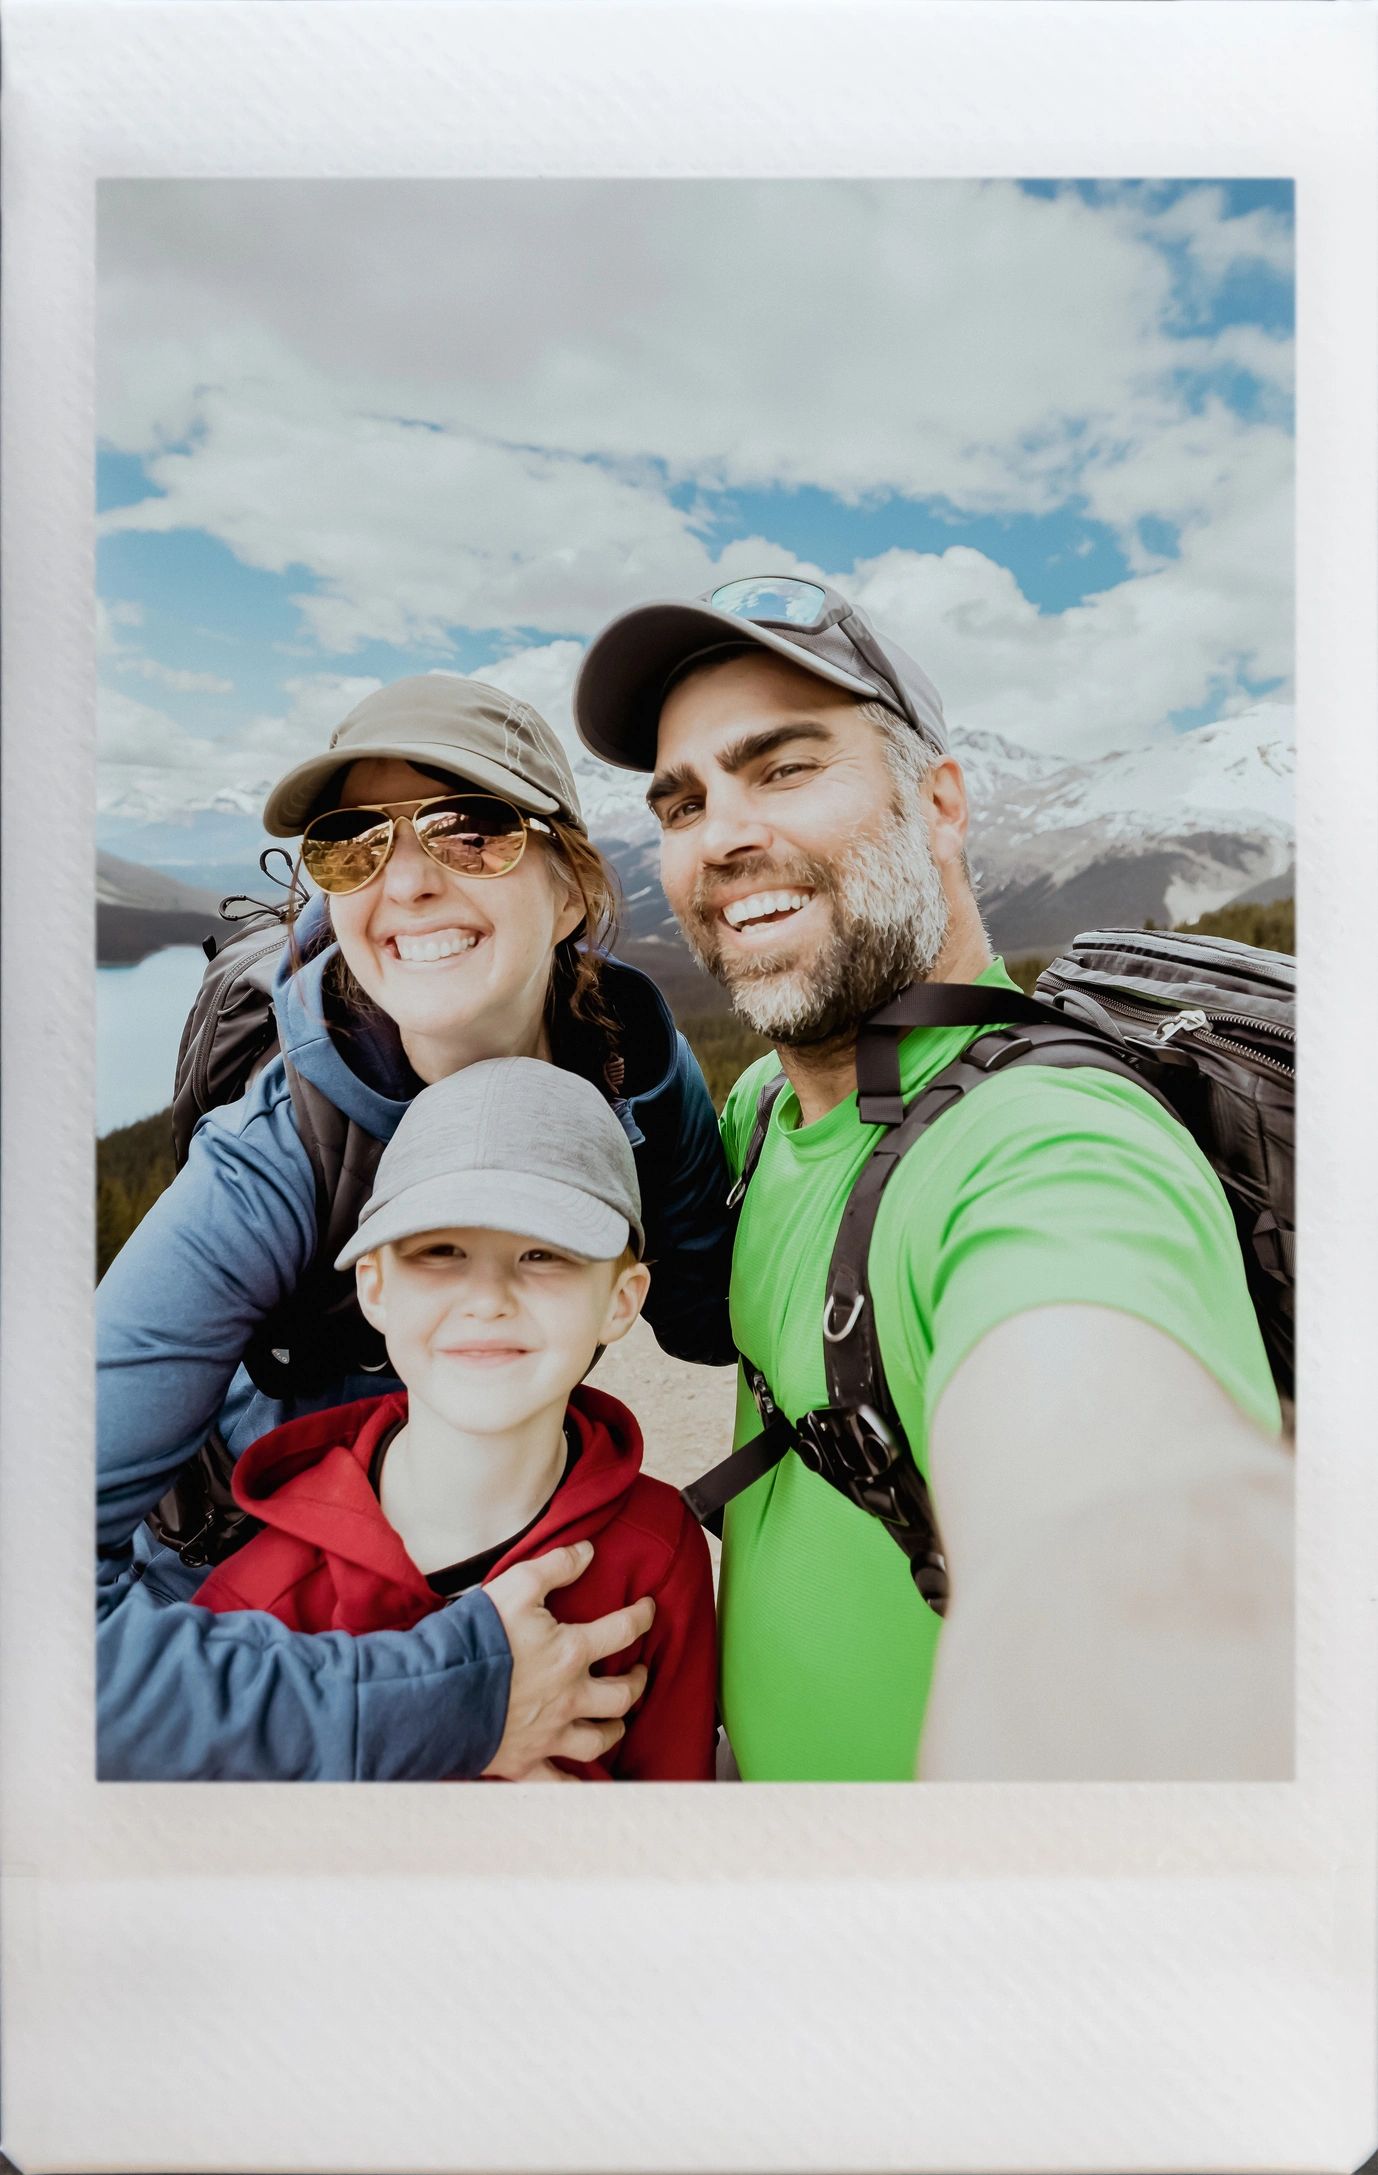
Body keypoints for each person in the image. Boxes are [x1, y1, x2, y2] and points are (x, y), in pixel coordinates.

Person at [573, 574, 1294, 1782]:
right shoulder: (764, 1114)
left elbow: (1117, 1516)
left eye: (784, 767)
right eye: (683, 801)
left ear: (940, 805)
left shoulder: (1044, 1147)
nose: (723, 836)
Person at [98, 673, 734, 1782]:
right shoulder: (276, 1159)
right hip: (262, 1622)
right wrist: (455, 1698)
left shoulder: (631, 1067)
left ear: (573, 890)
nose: (404, 881)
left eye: (470, 830)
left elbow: (711, 1313)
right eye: (352, 844)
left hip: (512, 1573)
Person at [190, 1058, 718, 1781]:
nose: (488, 1298)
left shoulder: (659, 1551)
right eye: (440, 1251)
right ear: (375, 1288)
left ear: (621, 1301)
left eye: (543, 1253)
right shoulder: (257, 1601)